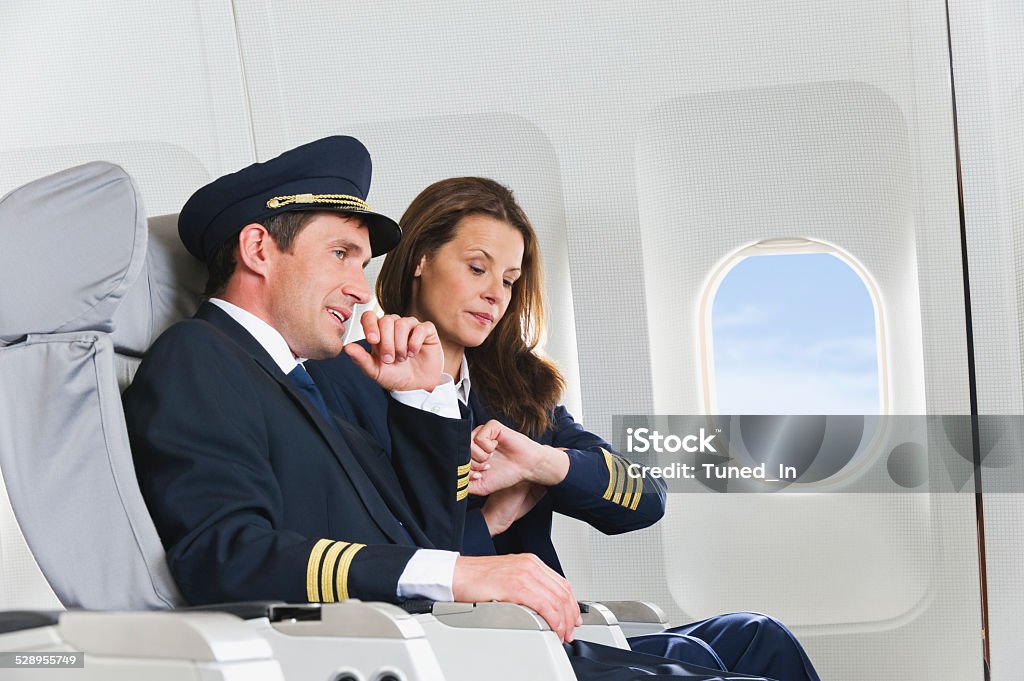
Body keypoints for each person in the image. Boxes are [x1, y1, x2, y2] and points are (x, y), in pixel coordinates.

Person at [124, 138, 780, 681]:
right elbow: (227, 555)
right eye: (342, 254)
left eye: (509, 279)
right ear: (259, 248)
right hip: (430, 648)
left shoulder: (497, 391)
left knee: (753, 639)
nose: (358, 287)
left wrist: (511, 448)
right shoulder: (219, 359)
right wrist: (473, 544)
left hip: (483, 636)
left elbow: (416, 530)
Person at [308, 177, 821, 681]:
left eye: (508, 281)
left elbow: (647, 499)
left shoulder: (518, 390)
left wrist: (543, 462)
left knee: (759, 635)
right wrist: (494, 522)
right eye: (476, 268)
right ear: (420, 258)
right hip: (465, 640)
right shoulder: (345, 381)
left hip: (548, 633)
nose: (494, 295)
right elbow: (367, 553)